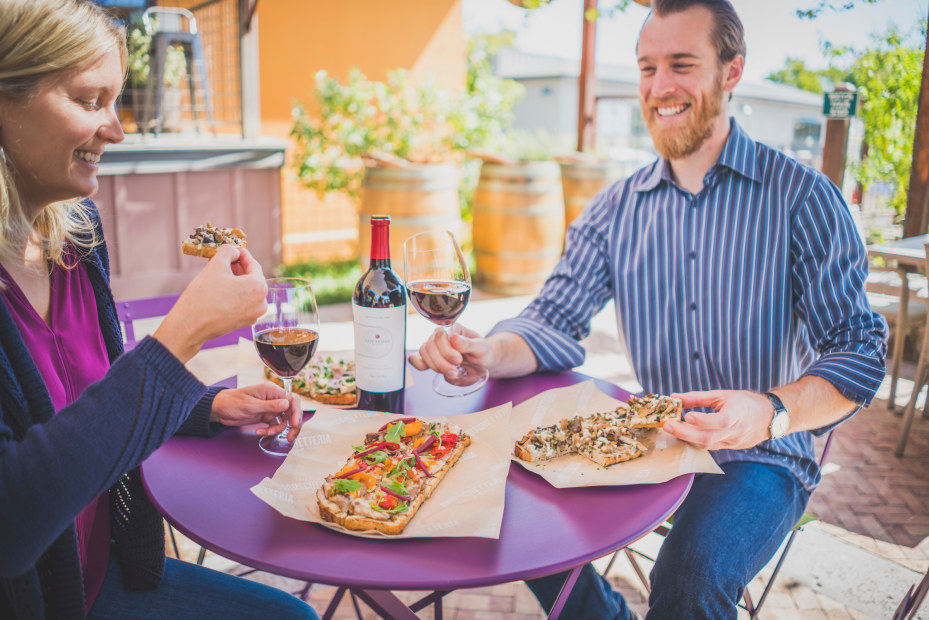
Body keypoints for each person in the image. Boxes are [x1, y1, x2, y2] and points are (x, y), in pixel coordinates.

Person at [411, 0, 888, 618]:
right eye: (647, 67)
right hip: (651, 441)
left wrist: (769, 410)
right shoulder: (616, 209)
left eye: (682, 65)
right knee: (507, 517)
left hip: (764, 456)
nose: (660, 87)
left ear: (731, 71)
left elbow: (859, 348)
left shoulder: (802, 197)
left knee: (688, 575)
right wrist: (488, 351)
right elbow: (553, 318)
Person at [0, 1, 319, 618]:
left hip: (103, 573)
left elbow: (90, 397)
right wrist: (182, 336)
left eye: (116, 103)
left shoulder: (76, 235)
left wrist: (203, 405)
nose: (117, 130)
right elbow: (11, 524)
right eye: (90, 101)